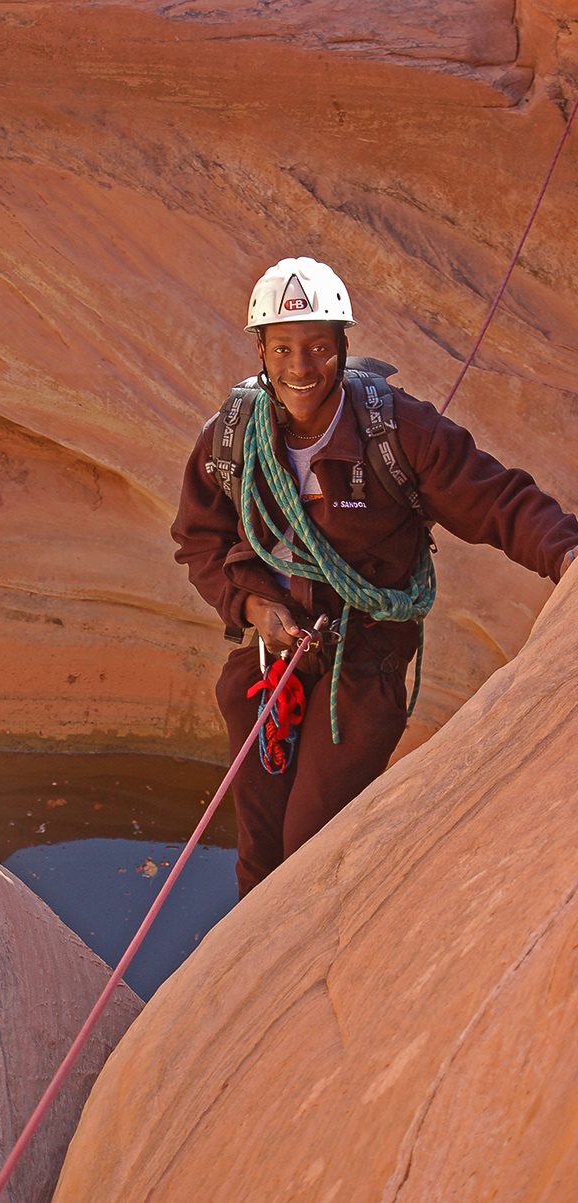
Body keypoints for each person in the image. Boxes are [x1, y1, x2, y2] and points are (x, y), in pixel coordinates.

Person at [171, 256, 578, 899]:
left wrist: (566, 555)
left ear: (343, 347)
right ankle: (260, 981)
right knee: (258, 846)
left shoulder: (394, 430)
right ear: (261, 351)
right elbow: (199, 539)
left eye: (318, 348)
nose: (301, 367)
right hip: (270, 658)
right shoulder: (232, 436)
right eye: (283, 349)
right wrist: (249, 608)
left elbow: (496, 500)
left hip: (365, 661)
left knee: (307, 845)